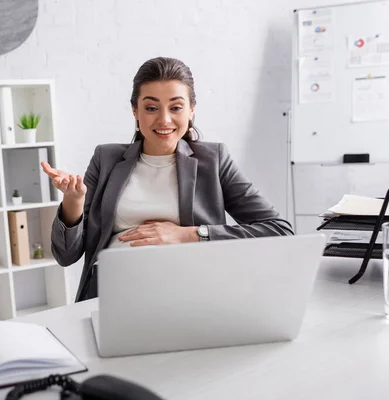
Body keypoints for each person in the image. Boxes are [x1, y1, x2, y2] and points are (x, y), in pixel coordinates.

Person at [41, 57, 294, 302]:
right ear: (135, 111)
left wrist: (191, 234)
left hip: (189, 288)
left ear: (191, 110)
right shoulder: (106, 158)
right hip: (112, 290)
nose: (164, 120)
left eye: (176, 107)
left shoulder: (214, 160)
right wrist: (73, 202)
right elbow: (66, 255)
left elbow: (278, 230)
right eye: (151, 108)